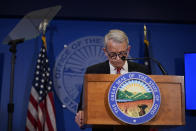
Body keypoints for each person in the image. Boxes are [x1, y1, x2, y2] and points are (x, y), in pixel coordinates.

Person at [75, 29, 150, 131]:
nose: (118, 58)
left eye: (122, 53)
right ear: (105, 52)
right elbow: (83, 105)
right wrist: (81, 113)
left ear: (128, 50)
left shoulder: (142, 72)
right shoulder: (94, 72)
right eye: (113, 54)